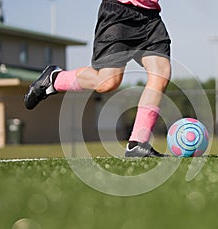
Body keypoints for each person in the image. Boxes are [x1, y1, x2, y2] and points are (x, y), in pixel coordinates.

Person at [24, 0, 171, 157]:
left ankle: (138, 143)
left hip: (151, 17)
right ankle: (55, 79)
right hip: (119, 12)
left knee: (161, 74)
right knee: (108, 82)